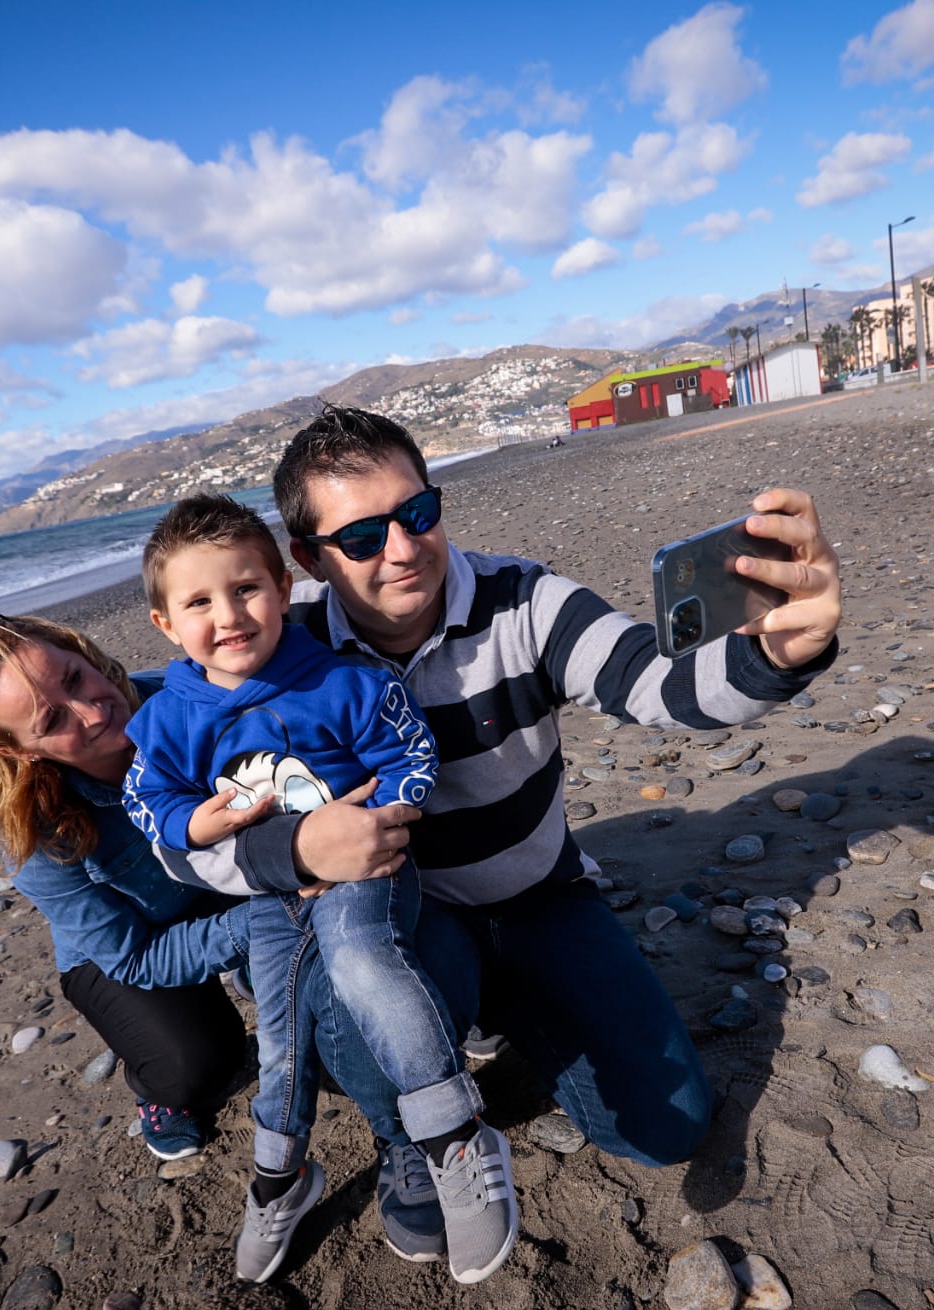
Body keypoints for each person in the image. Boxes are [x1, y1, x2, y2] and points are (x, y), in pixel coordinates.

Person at [164, 404, 843, 1188]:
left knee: (668, 1127)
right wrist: (293, 848)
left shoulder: (523, 600)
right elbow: (176, 837)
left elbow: (654, 682)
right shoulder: (274, 652)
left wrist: (786, 652)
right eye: (360, 537)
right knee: (352, 1021)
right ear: (309, 560)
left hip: (538, 897)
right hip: (406, 918)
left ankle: (509, 1010)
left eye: (417, 512)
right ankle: (410, 1143)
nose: (403, 547)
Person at [0, 608, 458, 1265]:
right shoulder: (34, 836)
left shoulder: (196, 703)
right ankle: (158, 1090)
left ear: (83, 647)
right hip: (133, 943)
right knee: (195, 1066)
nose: (91, 710)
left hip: (241, 885)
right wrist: (265, 915)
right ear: (17, 749)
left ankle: (401, 1128)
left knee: (345, 1013)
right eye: (53, 720)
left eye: (73, 676)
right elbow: (133, 956)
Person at [122, 494, 515, 1285]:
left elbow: (411, 754)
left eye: (246, 589)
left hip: (361, 878)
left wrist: (377, 816)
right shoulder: (167, 717)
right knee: (280, 1037)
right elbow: (145, 800)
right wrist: (193, 826)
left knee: (360, 962)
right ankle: (280, 1174)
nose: (229, 615)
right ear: (166, 624)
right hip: (267, 893)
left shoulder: (340, 679)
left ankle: (453, 1133)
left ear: (282, 589)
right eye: (199, 601)